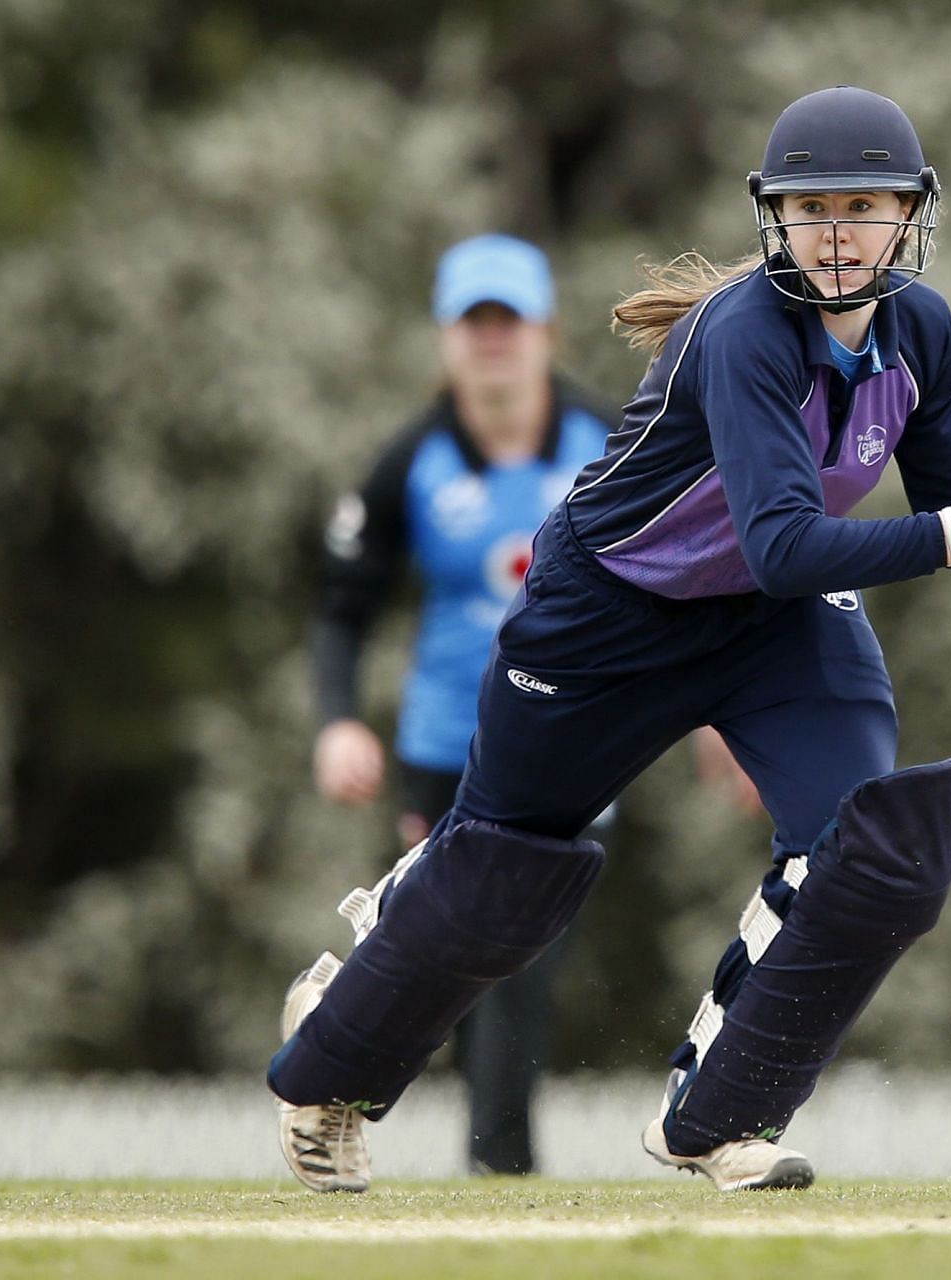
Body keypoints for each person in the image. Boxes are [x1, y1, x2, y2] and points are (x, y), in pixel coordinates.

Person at [268, 85, 951, 1195]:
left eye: (864, 207)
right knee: (503, 880)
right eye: (812, 207)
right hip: (608, 615)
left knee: (879, 850)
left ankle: (719, 1120)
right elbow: (786, 540)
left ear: (912, 214)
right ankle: (330, 1069)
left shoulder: (922, 330)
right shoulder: (743, 334)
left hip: (770, 625)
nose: (836, 234)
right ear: (773, 216)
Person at [307, 232, 613, 1176]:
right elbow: (342, 607)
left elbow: (694, 585)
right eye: (472, 324)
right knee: (439, 958)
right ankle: (326, 1095)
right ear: (446, 340)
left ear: (545, 332)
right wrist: (337, 719)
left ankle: (499, 1166)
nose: (492, 343)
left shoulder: (610, 442)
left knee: (525, 960)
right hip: (446, 748)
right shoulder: (410, 463)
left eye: (507, 322)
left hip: (579, 738)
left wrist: (720, 719)